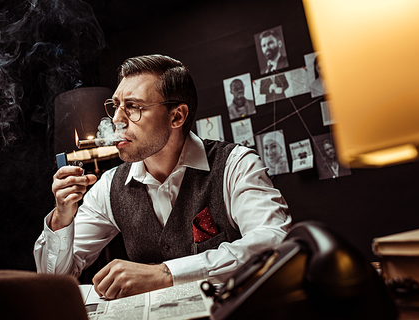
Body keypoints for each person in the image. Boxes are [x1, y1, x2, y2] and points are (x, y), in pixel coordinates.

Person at [34, 54, 291, 300]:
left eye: (133, 107)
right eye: (115, 106)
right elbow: (54, 279)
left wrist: (166, 273)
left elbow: (274, 242)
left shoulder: (235, 164)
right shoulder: (109, 187)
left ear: (176, 116)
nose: (117, 120)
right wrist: (62, 217)